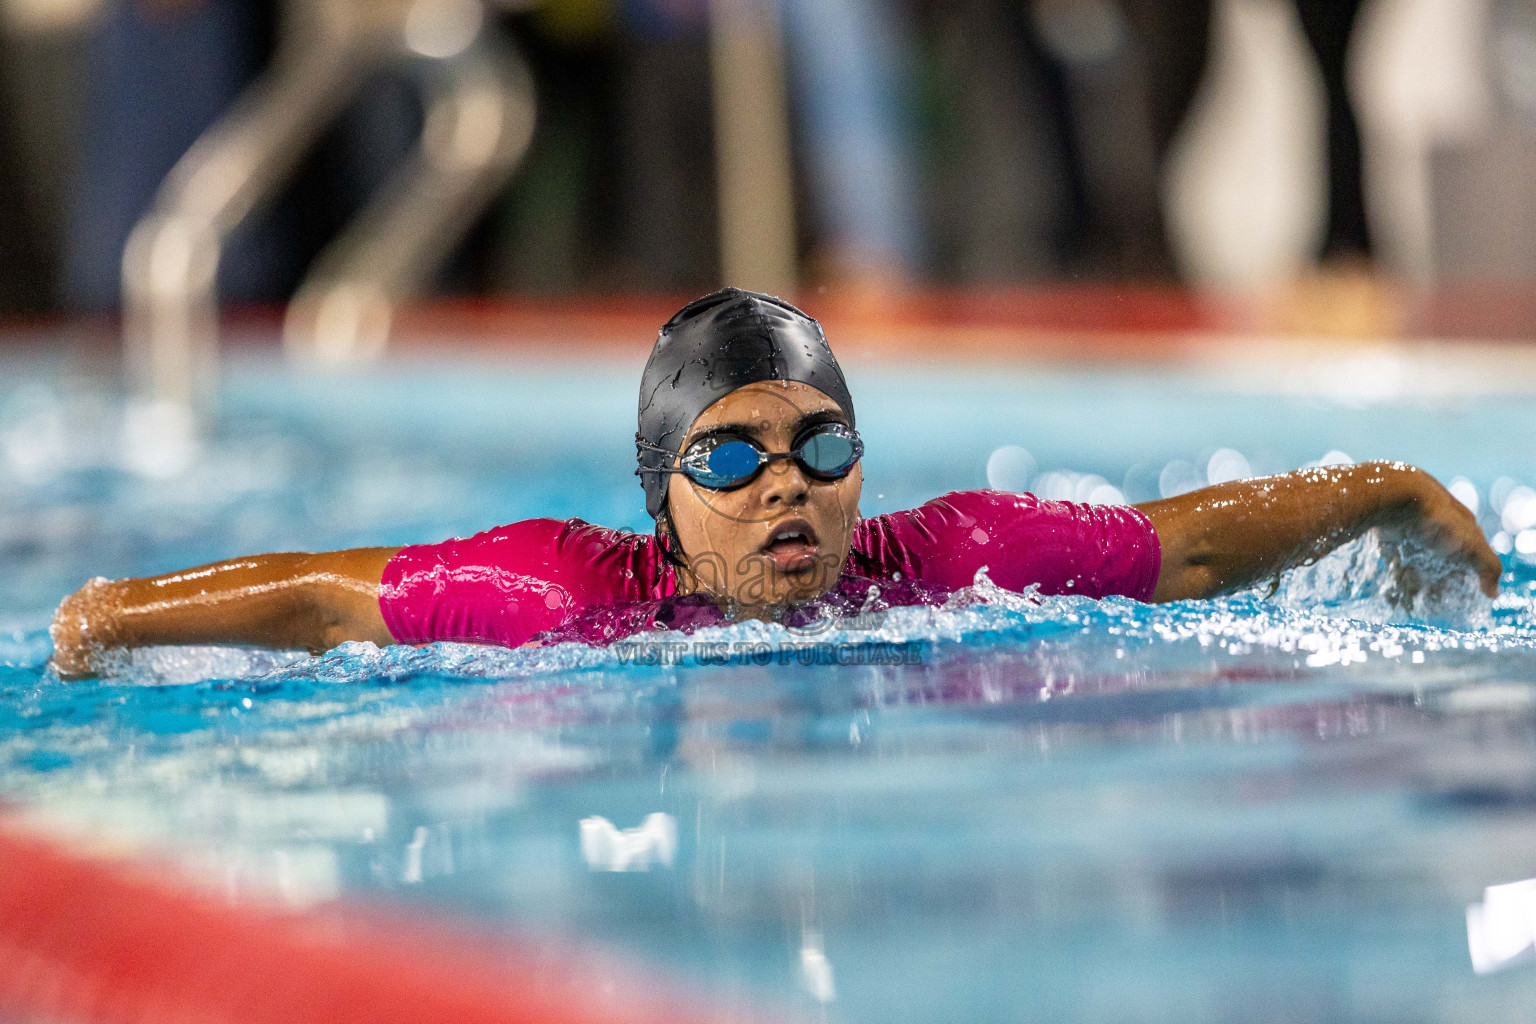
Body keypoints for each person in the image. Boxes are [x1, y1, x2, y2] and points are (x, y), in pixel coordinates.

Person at [50, 288, 1499, 678]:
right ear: (660, 493)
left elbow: (1181, 547)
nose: (782, 487)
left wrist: (1388, 490)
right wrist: (111, 612)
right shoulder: (559, 594)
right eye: (729, 458)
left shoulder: (947, 564)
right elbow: (317, 599)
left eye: (819, 448)